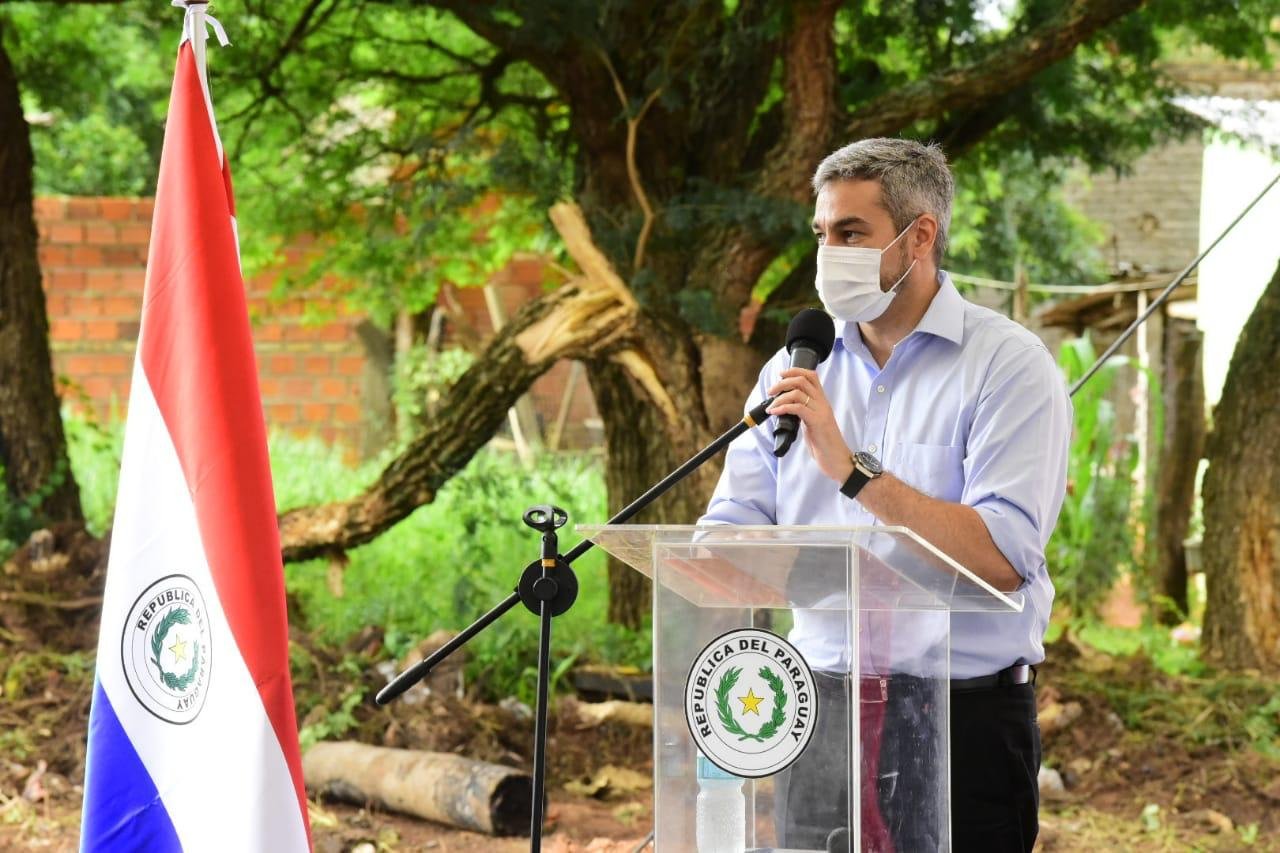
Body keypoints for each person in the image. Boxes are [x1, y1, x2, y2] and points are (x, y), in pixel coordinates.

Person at [698, 137, 1072, 851]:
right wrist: (716, 551)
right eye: (821, 233)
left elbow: (1001, 556)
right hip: (819, 705)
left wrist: (856, 475)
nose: (827, 252)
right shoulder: (795, 367)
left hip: (963, 718)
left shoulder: (1008, 367)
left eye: (850, 232)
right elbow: (730, 525)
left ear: (920, 234)